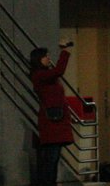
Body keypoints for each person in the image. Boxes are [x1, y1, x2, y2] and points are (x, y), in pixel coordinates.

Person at [30, 40, 75, 186]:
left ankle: (50, 182)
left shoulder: (46, 76)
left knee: (52, 158)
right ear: (38, 59)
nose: (48, 58)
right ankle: (48, 183)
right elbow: (59, 71)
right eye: (45, 56)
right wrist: (64, 51)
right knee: (51, 157)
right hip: (51, 122)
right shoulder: (39, 76)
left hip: (56, 120)